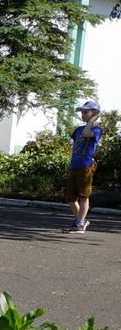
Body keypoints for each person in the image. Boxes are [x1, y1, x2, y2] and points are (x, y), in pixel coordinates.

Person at [62, 99, 102, 234]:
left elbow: (86, 134)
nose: (83, 115)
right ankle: (81, 222)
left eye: (86, 112)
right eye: (82, 112)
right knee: (71, 199)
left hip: (86, 167)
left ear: (95, 113)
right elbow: (73, 138)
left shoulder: (97, 130)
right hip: (74, 166)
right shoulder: (78, 129)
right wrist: (71, 142)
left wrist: (92, 121)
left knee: (84, 196)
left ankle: (79, 224)